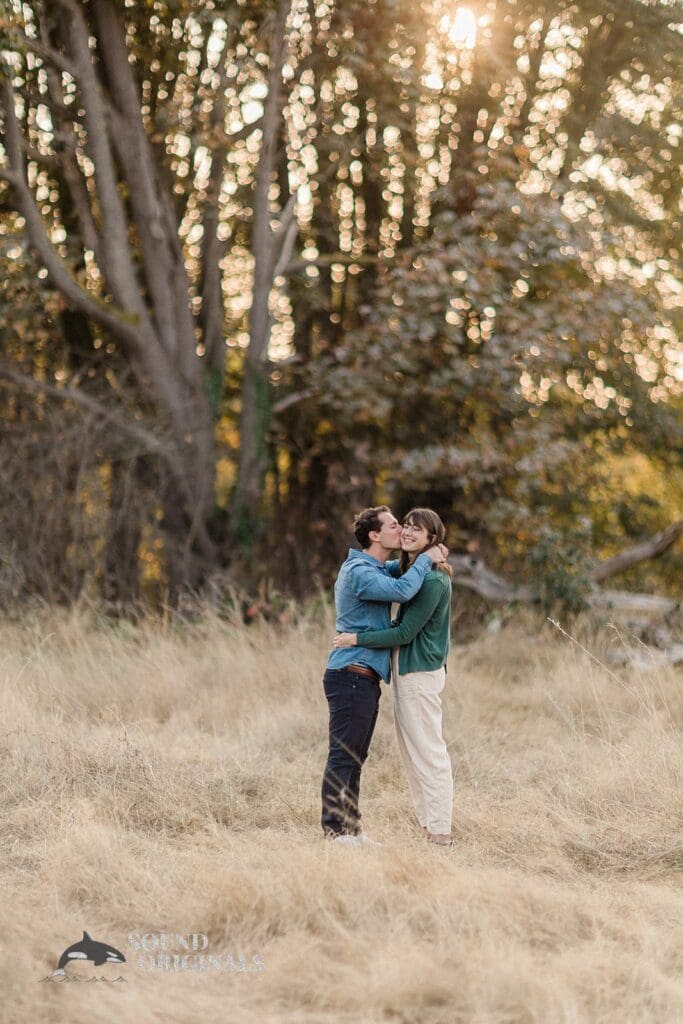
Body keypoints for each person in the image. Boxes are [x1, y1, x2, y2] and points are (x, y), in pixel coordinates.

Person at [321, 505, 447, 845]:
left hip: (363, 676)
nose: (401, 530)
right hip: (350, 673)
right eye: (394, 525)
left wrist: (428, 553)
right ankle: (335, 830)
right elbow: (404, 589)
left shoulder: (377, 567)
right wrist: (426, 558)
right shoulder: (360, 572)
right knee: (343, 755)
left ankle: (352, 830)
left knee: (356, 755)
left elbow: (404, 569)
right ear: (375, 535)